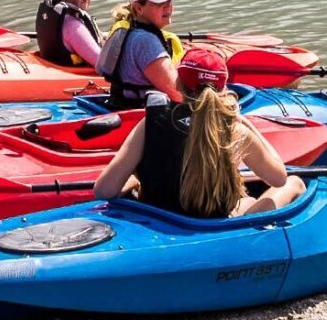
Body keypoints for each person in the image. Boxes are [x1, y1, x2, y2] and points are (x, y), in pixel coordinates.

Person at [93, 47, 306, 218]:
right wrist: (246, 123)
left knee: (247, 200)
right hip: (213, 225)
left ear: (178, 83)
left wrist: (135, 180)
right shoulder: (235, 130)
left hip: (160, 217)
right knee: (293, 182)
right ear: (222, 88)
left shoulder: (150, 122)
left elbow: (103, 191)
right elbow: (279, 178)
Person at [96, 0, 185, 109]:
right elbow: (176, 92)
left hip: (122, 104)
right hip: (142, 114)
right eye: (160, 3)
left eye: (169, 1)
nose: (168, 7)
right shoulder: (146, 41)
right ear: (139, 8)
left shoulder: (132, 30)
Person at [35, 0, 102, 68]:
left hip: (56, 65)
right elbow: (102, 63)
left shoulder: (57, 17)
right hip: (78, 75)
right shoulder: (72, 25)